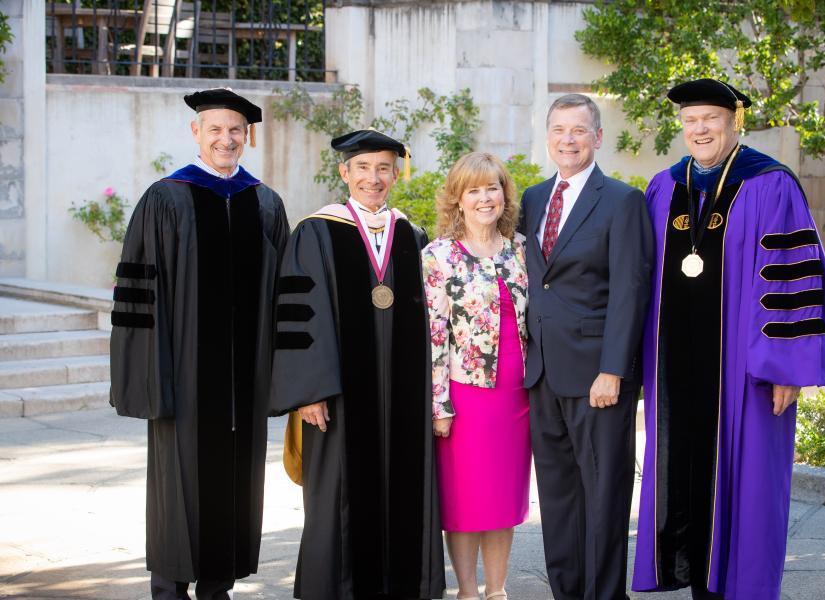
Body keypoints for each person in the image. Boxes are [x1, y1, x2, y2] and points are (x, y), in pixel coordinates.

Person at [632, 79, 825, 600]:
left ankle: (744, 588)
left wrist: (786, 369)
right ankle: (689, 576)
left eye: (711, 118)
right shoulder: (665, 187)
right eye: (691, 120)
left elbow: (791, 279)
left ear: (735, 121)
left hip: (745, 371)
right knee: (680, 476)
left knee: (749, 485)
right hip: (675, 371)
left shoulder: (771, 183)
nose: (700, 128)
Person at [109, 88, 289, 599]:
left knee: (234, 480)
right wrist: (147, 379)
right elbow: (136, 294)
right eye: (215, 129)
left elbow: (286, 298)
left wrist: (283, 379)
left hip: (243, 384)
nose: (225, 139)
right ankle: (168, 587)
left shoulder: (264, 203)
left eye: (235, 130)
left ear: (246, 136)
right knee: (178, 484)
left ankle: (218, 586)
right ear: (196, 133)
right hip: (182, 380)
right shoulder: (166, 199)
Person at [268, 129, 446, 600]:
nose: (374, 178)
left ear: (395, 174)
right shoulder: (316, 230)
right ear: (344, 172)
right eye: (363, 168)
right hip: (340, 398)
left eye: (384, 168)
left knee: (404, 495)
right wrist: (309, 391)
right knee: (338, 501)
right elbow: (298, 315)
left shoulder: (411, 234)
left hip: (405, 399)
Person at [519, 93, 654, 600]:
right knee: (556, 497)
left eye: (579, 130)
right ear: (548, 136)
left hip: (598, 375)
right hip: (542, 373)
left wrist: (614, 369)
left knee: (604, 495)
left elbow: (629, 290)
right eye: (558, 129)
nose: (568, 139)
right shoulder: (531, 199)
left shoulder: (622, 200)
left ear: (598, 137)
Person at [422, 152, 530, 600]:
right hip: (466, 396)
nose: (485, 198)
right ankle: (467, 591)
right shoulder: (439, 255)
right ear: (457, 199)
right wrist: (439, 404)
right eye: (474, 190)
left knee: (502, 498)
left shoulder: (522, 248)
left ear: (504, 194)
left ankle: (497, 590)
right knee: (466, 500)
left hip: (517, 394)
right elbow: (433, 335)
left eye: (493, 188)